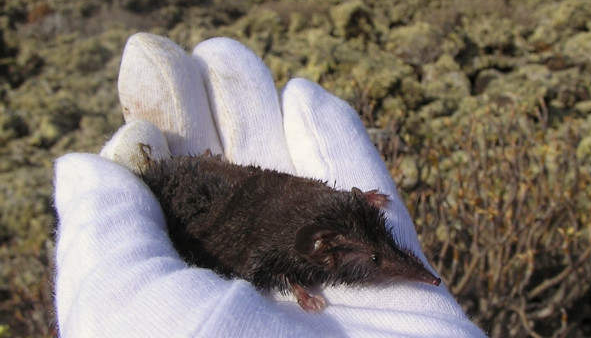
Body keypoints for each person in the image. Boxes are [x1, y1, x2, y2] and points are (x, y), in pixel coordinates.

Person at [53, 33, 486, 337]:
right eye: (375, 258)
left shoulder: (319, 213)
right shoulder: (292, 246)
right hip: (197, 208)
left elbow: (330, 206)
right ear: (323, 252)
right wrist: (296, 286)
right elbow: (266, 264)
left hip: (235, 195)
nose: (415, 272)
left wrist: (361, 204)